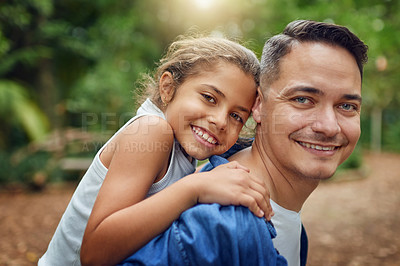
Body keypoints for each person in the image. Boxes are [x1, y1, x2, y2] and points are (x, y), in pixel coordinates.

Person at [119, 19, 368, 266]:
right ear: (258, 106)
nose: (328, 126)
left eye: (347, 106)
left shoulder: (287, 219)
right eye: (303, 99)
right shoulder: (222, 227)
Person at [39, 36, 274, 266]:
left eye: (236, 116)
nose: (221, 121)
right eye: (209, 98)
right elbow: (94, 254)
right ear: (168, 87)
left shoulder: (182, 147)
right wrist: (195, 188)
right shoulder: (151, 130)